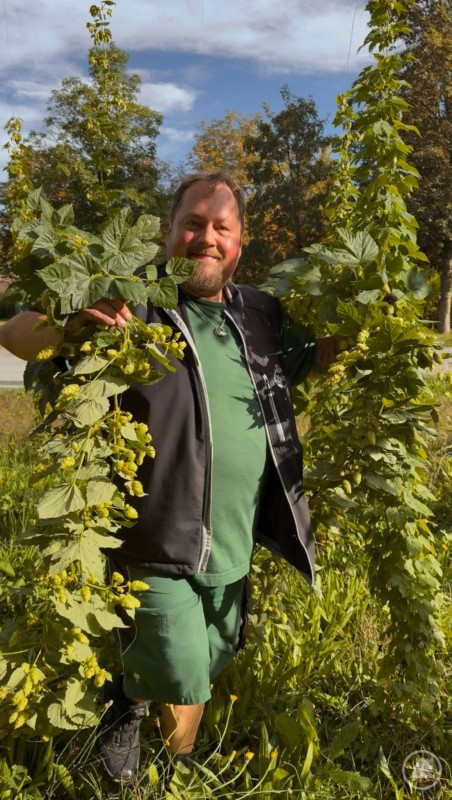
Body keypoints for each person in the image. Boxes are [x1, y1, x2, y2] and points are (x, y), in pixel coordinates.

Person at [0, 172, 338, 784]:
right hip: (154, 537)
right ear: (168, 232)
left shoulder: (261, 311)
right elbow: (17, 332)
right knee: (179, 666)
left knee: (209, 659)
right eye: (193, 224)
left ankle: (157, 735)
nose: (205, 238)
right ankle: (139, 730)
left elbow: (310, 358)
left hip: (235, 537)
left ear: (240, 241)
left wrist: (364, 318)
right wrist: (79, 326)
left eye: (221, 227)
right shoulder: (133, 298)